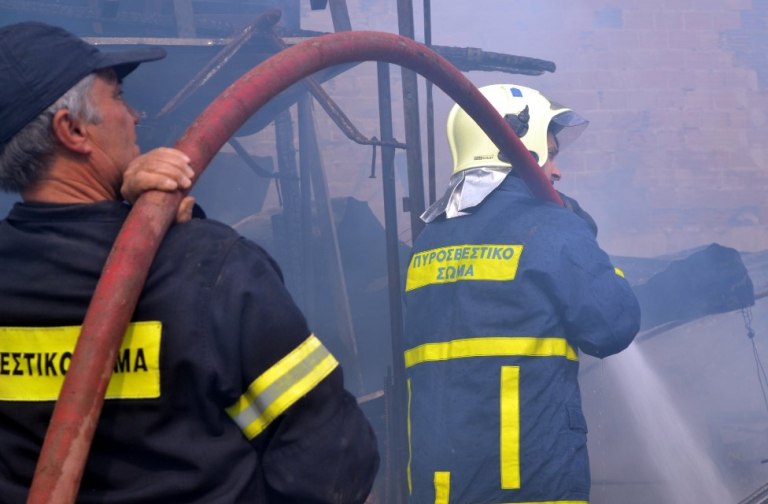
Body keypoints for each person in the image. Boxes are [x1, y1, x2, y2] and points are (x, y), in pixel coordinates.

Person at [0, 21, 379, 503]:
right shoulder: (212, 270)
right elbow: (334, 459)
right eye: (117, 97)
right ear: (72, 130)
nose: (136, 116)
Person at [403, 83, 640, 503]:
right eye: (550, 154)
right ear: (522, 152)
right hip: (528, 488)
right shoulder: (551, 229)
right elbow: (614, 326)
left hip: (437, 492)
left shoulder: (428, 241)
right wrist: (584, 238)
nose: (557, 171)